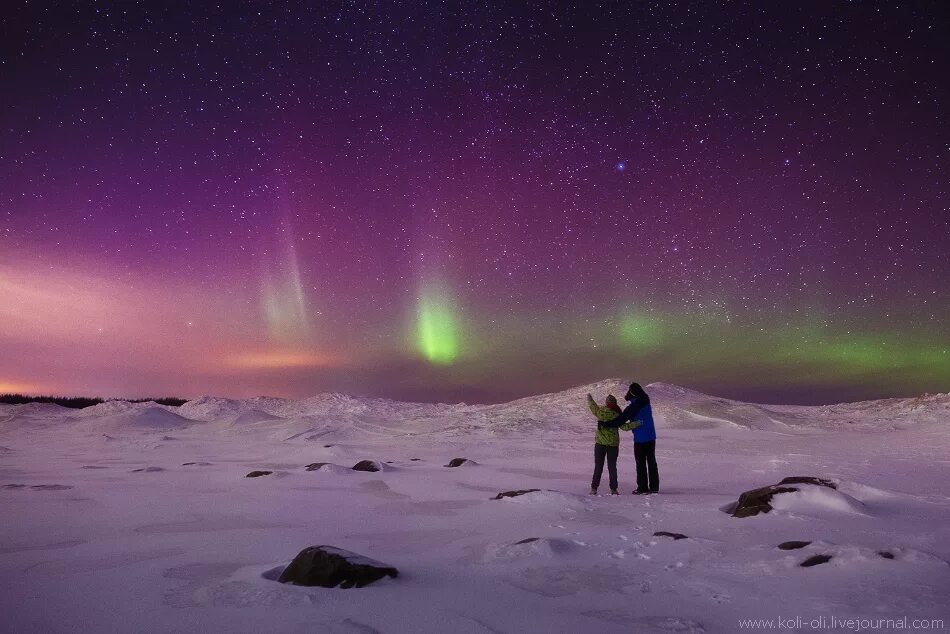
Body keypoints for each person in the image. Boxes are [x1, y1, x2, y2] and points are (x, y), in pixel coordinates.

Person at [601, 382, 659, 494]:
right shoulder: (646, 401)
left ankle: (642, 488)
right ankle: (654, 487)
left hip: (640, 439)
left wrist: (606, 424)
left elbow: (621, 420)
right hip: (651, 437)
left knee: (640, 462)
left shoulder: (634, 406)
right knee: (651, 461)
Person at [586, 393, 640, 495]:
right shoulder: (617, 414)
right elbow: (624, 427)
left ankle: (594, 488)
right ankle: (614, 489)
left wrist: (590, 399)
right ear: (615, 403)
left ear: (606, 403)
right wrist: (637, 423)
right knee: (612, 467)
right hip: (613, 446)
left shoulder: (600, 412)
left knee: (598, 466)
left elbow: (593, 407)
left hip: (600, 444)